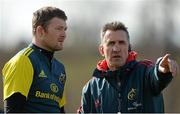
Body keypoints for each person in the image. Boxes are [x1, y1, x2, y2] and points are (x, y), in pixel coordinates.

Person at [78, 21, 179, 113]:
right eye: (111, 43)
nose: (116, 48)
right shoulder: (91, 88)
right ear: (101, 50)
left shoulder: (144, 72)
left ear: (129, 47)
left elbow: (156, 76)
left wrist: (162, 71)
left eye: (121, 43)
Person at [2, 6, 67, 113]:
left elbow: (60, 110)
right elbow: (12, 110)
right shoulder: (23, 60)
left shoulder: (60, 68)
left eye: (65, 29)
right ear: (40, 31)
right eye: (59, 29)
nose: (64, 34)